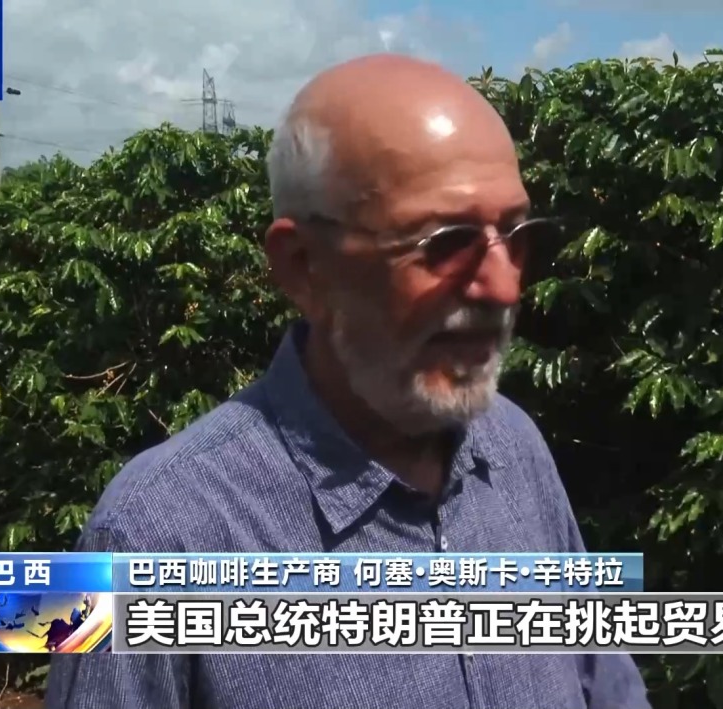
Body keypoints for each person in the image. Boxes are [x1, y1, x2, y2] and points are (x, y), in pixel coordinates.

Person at [45, 53, 651, 709]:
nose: (503, 287)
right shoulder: (150, 537)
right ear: (304, 266)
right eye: (445, 242)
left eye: (516, 235)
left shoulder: (515, 449)